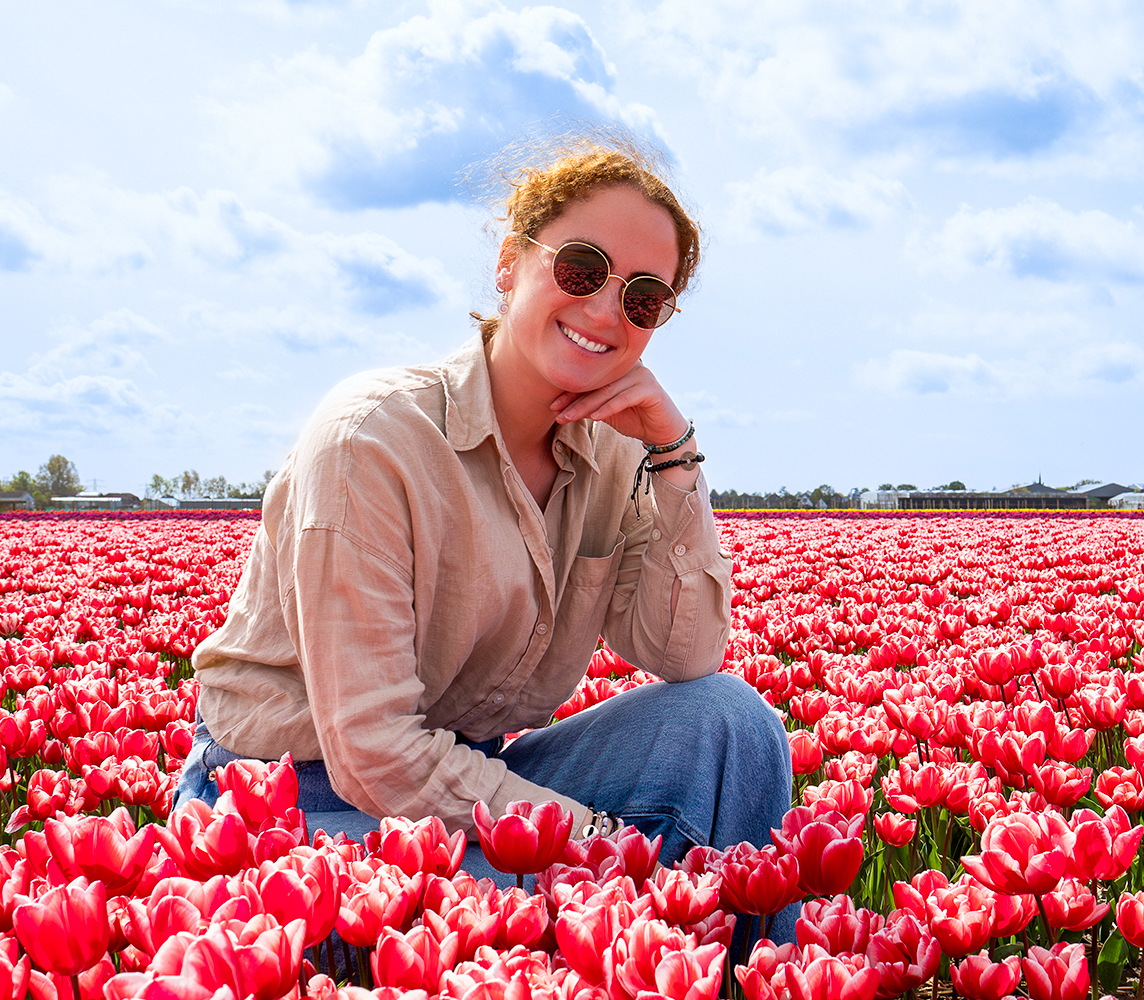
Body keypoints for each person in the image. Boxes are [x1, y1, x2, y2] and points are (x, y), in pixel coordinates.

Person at [174, 132, 791, 882]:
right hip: (288, 796)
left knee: (729, 721)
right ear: (510, 262)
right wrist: (595, 839)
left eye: (643, 297)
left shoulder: (623, 452)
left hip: (463, 775)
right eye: (581, 267)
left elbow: (684, 655)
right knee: (549, 921)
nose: (605, 309)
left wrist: (674, 452)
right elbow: (372, 752)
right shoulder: (374, 439)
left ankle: (750, 973)